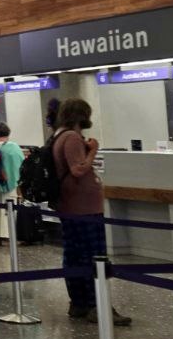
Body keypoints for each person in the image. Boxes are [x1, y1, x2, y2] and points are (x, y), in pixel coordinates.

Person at [52, 99, 132, 326]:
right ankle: (97, 305)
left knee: (75, 254)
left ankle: (79, 302)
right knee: (93, 256)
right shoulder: (72, 138)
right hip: (83, 208)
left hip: (72, 206)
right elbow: (78, 169)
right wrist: (93, 150)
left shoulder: (60, 136)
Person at [0, 122, 26, 243]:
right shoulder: (13, 147)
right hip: (9, 182)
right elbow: (21, 163)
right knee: (9, 208)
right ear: (8, 133)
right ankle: (7, 234)